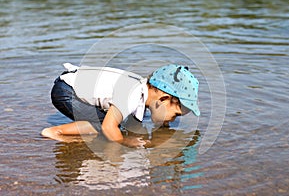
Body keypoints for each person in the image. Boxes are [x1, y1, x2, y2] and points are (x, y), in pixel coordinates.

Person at [41, 63, 200, 147]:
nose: (172, 121)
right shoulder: (132, 94)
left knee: (124, 125)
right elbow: (108, 128)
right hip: (67, 91)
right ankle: (55, 132)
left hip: (72, 83)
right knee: (106, 126)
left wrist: (162, 127)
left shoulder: (142, 91)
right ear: (163, 99)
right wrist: (125, 142)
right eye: (175, 115)